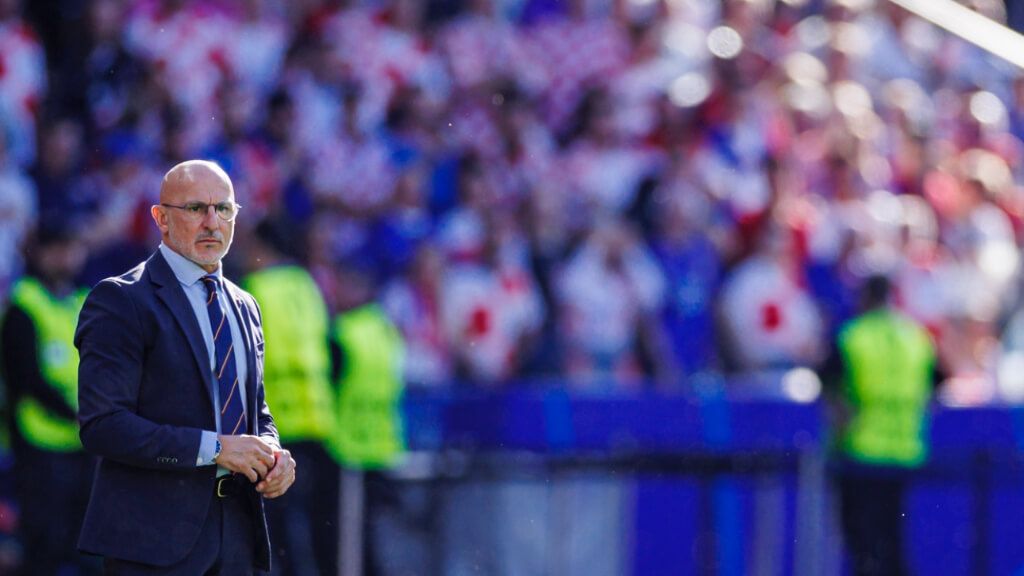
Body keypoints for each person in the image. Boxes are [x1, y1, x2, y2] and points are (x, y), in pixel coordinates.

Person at [74, 160, 296, 575]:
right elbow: (103, 425)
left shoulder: (246, 305)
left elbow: (255, 411)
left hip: (237, 538)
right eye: (196, 208)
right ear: (160, 218)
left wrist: (273, 454)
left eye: (224, 209)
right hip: (152, 543)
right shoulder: (121, 300)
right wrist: (215, 448)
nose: (212, 222)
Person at [822, 274, 937, 576]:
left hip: (861, 450)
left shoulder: (853, 336)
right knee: (895, 543)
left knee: (864, 547)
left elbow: (830, 390)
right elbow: (935, 386)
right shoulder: (916, 337)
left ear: (865, 299)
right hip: (907, 451)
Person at [0, 221, 97, 576]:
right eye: (57, 249)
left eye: (71, 248)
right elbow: (24, 377)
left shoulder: (83, 301)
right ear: (39, 253)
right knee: (44, 542)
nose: (65, 257)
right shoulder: (24, 305)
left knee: (83, 542)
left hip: (82, 442)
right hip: (39, 443)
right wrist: (74, 413)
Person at [241, 218, 337, 576]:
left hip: (276, 425)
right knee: (315, 531)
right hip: (318, 421)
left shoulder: (253, 289)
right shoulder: (307, 285)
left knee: (276, 535)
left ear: (261, 249)